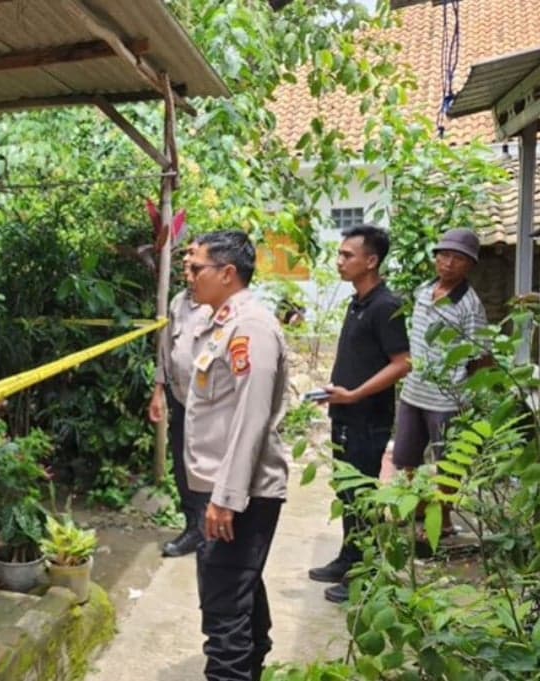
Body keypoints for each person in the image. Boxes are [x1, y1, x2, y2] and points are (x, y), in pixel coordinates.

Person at [183, 230, 289, 681]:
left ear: (227, 273)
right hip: (218, 489)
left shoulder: (251, 328)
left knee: (224, 613)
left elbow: (251, 417)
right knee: (239, 591)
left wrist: (226, 498)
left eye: (196, 268)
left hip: (238, 495)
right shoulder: (221, 323)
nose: (189, 276)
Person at [309, 225, 410, 603]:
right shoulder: (358, 302)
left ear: (371, 261)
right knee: (347, 491)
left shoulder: (385, 305)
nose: (339, 261)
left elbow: (403, 363)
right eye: (340, 254)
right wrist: (338, 394)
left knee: (363, 495)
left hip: (368, 419)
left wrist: (354, 395)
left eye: (347, 255)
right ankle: (348, 558)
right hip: (347, 414)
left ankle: (364, 575)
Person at [393, 228, 487, 537]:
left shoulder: (469, 305)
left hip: (446, 398)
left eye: (458, 259)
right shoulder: (424, 290)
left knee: (447, 463)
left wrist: (465, 393)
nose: (448, 263)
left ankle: (443, 520)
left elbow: (479, 354)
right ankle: (416, 507)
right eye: (444, 255)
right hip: (414, 391)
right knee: (406, 457)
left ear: (469, 265)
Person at [148, 239, 210, 557]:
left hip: (211, 405)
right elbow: (165, 350)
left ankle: (210, 528)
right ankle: (193, 527)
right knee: (183, 465)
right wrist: (158, 391)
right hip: (180, 399)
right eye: (185, 253)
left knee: (208, 466)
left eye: (193, 254)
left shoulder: (218, 304)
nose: (186, 259)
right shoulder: (178, 302)